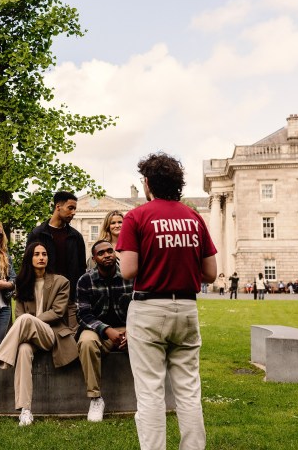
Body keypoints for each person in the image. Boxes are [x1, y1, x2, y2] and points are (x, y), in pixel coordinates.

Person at [116, 152, 217, 450]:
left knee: (150, 392)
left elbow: (128, 270)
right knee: (188, 391)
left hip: (149, 307)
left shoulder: (137, 216)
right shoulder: (193, 216)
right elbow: (211, 273)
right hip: (186, 307)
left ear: (147, 183)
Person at [0, 242, 78, 426]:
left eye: (44, 254)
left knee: (26, 319)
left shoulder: (61, 282)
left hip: (52, 335)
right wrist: (28, 322)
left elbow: (57, 312)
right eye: (36, 254)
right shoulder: (23, 284)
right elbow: (18, 315)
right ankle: (25, 411)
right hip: (29, 338)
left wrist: (32, 321)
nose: (41, 257)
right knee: (24, 350)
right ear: (30, 258)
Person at [76, 240, 133, 422]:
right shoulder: (85, 280)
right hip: (98, 330)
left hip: (127, 327)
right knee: (86, 342)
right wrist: (106, 329)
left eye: (110, 251)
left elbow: (140, 308)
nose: (107, 255)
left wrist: (131, 331)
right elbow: (83, 314)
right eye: (101, 253)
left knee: (146, 338)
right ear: (94, 258)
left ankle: (146, 395)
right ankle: (95, 398)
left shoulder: (129, 276)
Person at [27, 191, 86, 331]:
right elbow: (29, 265)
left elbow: (81, 269)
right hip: (44, 297)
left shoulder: (76, 237)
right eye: (70, 208)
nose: (73, 212)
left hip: (70, 299)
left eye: (75, 209)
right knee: (43, 337)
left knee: (72, 338)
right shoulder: (37, 234)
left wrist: (78, 296)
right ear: (58, 206)